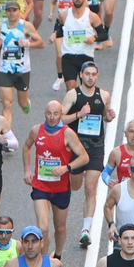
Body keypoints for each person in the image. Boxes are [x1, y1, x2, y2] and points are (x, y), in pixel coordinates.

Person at [23, 100, 91, 256]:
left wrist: (66, 168)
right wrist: (26, 169)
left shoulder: (67, 133)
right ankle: (45, 261)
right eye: (49, 113)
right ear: (44, 113)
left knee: (59, 227)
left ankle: (58, 255)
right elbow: (26, 146)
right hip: (40, 186)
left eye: (55, 113)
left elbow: (84, 157)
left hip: (61, 188)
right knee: (43, 228)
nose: (52, 117)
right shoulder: (36, 130)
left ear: (61, 115)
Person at [64, 61, 118, 246]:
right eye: (87, 74)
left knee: (90, 189)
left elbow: (104, 115)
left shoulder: (103, 95)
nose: (90, 77)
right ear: (81, 74)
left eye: (93, 74)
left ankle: (85, 230)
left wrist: (108, 117)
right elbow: (61, 119)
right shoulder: (72, 94)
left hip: (95, 146)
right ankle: (81, 172)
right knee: (76, 186)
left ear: (97, 75)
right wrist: (79, 114)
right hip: (76, 147)